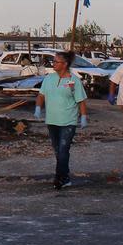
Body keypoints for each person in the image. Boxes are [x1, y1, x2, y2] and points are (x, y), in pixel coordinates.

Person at [34, 51, 89, 190]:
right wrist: (38, 108)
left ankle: (60, 178)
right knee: (58, 150)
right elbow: (41, 95)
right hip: (52, 120)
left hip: (68, 121)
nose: (54, 64)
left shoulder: (73, 80)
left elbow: (81, 100)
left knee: (64, 150)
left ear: (65, 64)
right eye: (54, 61)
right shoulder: (49, 78)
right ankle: (65, 176)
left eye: (56, 62)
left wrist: (83, 117)